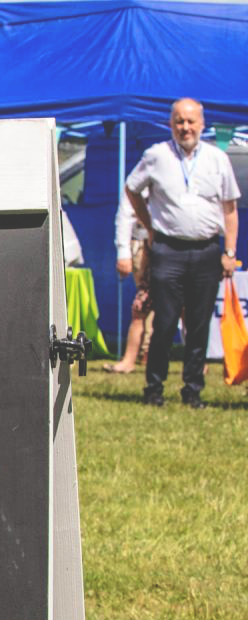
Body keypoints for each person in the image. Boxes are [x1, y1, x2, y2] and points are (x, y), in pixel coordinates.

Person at [125, 98, 240, 408]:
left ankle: (193, 391)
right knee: (164, 322)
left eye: (191, 121)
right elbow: (131, 188)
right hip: (168, 249)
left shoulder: (217, 159)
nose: (185, 127)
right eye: (179, 121)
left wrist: (230, 251)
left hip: (206, 250)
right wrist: (150, 227)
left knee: (199, 325)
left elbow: (230, 210)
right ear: (170, 123)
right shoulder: (156, 155)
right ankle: (154, 389)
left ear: (202, 124)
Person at [104, 193, 155, 374]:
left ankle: (196, 364)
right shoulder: (139, 181)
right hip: (147, 245)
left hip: (173, 247)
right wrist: (123, 251)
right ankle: (130, 360)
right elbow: (126, 212)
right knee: (141, 305)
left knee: (185, 307)